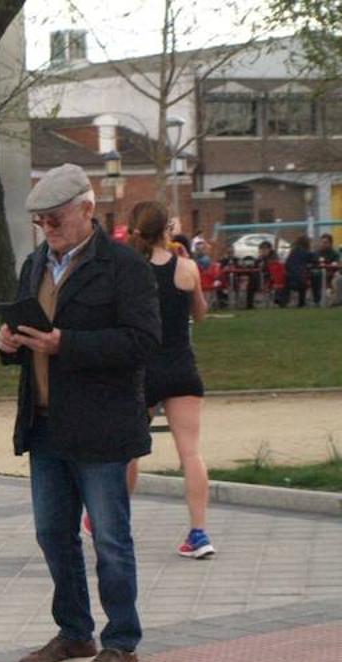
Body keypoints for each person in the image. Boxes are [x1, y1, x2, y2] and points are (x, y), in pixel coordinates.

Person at [0, 163, 161, 662]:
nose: (48, 229)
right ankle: (74, 633)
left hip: (102, 428)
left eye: (56, 219)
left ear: (88, 210)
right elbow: (28, 338)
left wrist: (69, 344)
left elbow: (143, 343)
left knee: (110, 538)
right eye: (41, 222)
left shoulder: (124, 268)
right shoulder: (33, 266)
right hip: (45, 424)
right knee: (52, 534)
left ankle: (122, 644)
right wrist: (7, 346)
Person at [124, 202, 214, 559]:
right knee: (190, 452)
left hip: (143, 368)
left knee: (129, 450)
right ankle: (199, 533)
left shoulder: (133, 270)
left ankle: (110, 522)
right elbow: (202, 313)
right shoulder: (188, 267)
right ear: (167, 229)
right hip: (181, 366)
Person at [284, 235, 314, 308]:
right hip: (301, 280)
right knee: (314, 279)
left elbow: (286, 264)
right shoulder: (306, 253)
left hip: (289, 279)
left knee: (301, 278)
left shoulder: (292, 252)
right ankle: (312, 301)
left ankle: (290, 302)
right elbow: (314, 260)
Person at [312, 233, 338, 306]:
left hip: (331, 274)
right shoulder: (316, 253)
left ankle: (329, 299)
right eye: (322, 242)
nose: (323, 244)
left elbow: (336, 264)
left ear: (330, 243)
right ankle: (317, 300)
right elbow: (313, 264)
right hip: (317, 275)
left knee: (332, 278)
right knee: (315, 275)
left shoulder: (334, 253)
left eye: (325, 242)